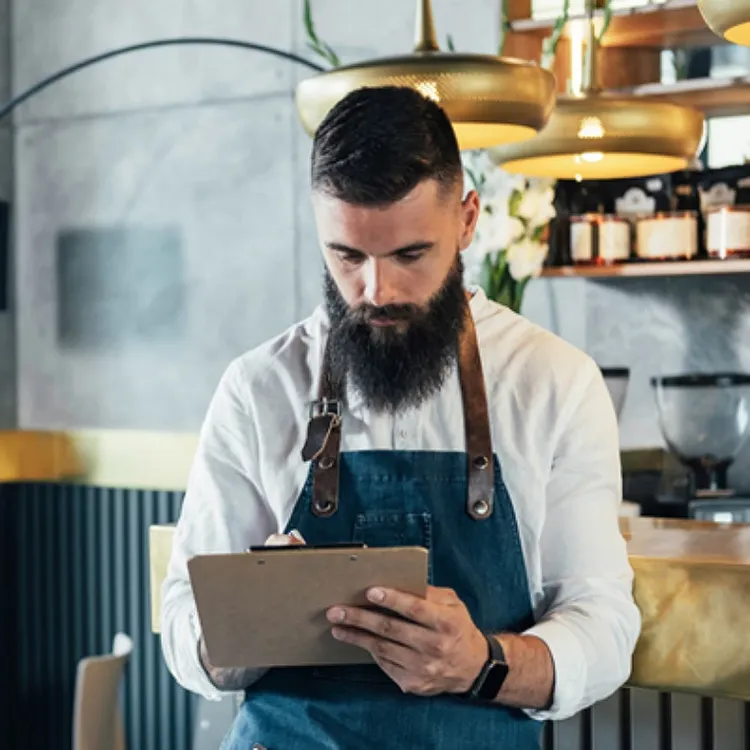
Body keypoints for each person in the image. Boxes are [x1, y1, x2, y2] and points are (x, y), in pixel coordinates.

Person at [161, 85, 641, 749]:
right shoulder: (256, 388)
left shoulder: (554, 381)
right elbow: (184, 627)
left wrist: (482, 662)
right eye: (347, 257)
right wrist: (249, 616)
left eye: (410, 255)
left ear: (468, 220)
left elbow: (605, 625)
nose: (375, 291)